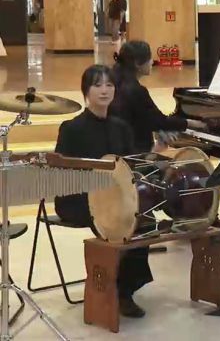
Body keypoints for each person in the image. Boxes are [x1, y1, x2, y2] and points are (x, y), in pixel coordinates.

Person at [54, 65, 151, 318]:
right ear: (86, 91)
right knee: (122, 220)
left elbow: (132, 167)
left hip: (115, 196)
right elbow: (61, 173)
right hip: (78, 199)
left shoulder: (121, 127)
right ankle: (111, 288)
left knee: (144, 220)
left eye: (109, 85)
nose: (104, 90)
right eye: (97, 85)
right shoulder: (71, 128)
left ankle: (125, 290)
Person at [109, 40, 206, 153]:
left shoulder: (114, 81)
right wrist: (191, 123)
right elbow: (158, 121)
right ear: (137, 63)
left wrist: (161, 130)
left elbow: (147, 118)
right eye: (150, 58)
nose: (152, 62)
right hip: (135, 152)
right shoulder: (136, 90)